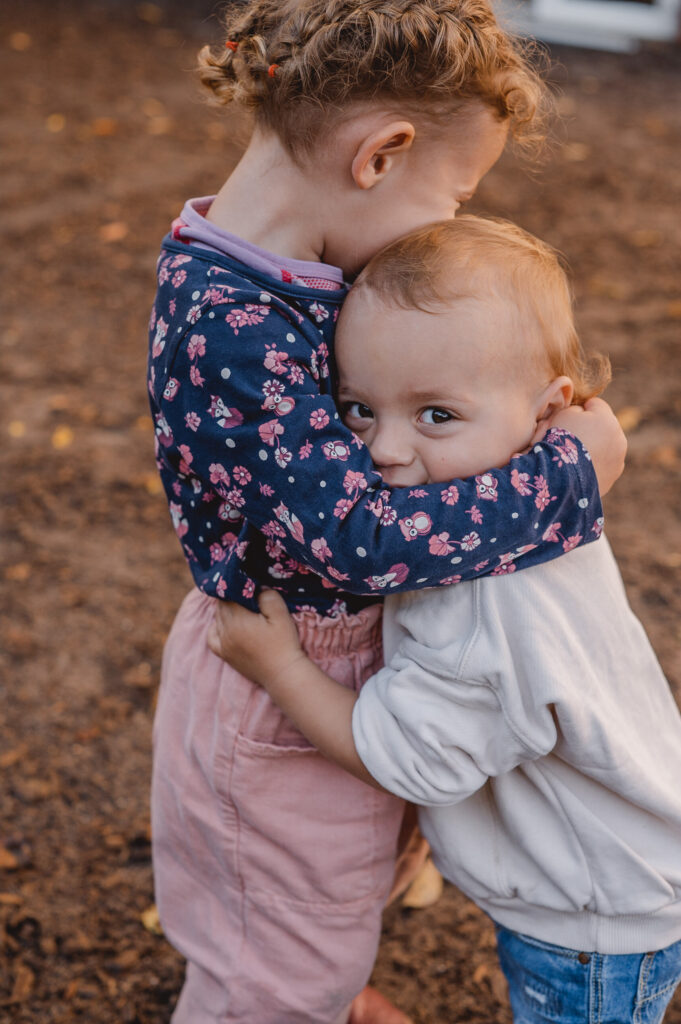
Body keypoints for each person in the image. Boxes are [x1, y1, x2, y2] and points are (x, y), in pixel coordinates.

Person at [147, 2, 626, 1020]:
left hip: (337, 659)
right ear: (381, 156)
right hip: (287, 680)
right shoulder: (233, 326)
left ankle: (311, 974)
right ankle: (279, 993)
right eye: (455, 194)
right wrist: (566, 476)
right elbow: (356, 538)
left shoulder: (270, 269)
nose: (450, 222)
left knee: (326, 886)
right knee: (279, 921)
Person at [209, 216, 681, 1024]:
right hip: (622, 869)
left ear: (546, 413)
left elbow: (411, 763)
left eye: (435, 416)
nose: (383, 450)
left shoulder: (477, 596)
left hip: (593, 920)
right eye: (356, 407)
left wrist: (281, 668)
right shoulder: (528, 512)